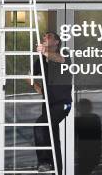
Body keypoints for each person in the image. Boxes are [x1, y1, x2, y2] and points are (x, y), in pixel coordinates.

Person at [32, 32, 73, 173]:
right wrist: (36, 87)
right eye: (43, 37)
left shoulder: (64, 53)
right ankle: (57, 170)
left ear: (56, 42)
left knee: (40, 125)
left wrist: (44, 51)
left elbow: (59, 59)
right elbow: (28, 75)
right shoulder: (42, 60)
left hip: (63, 103)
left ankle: (44, 163)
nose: (44, 38)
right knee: (52, 139)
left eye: (48, 36)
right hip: (48, 105)